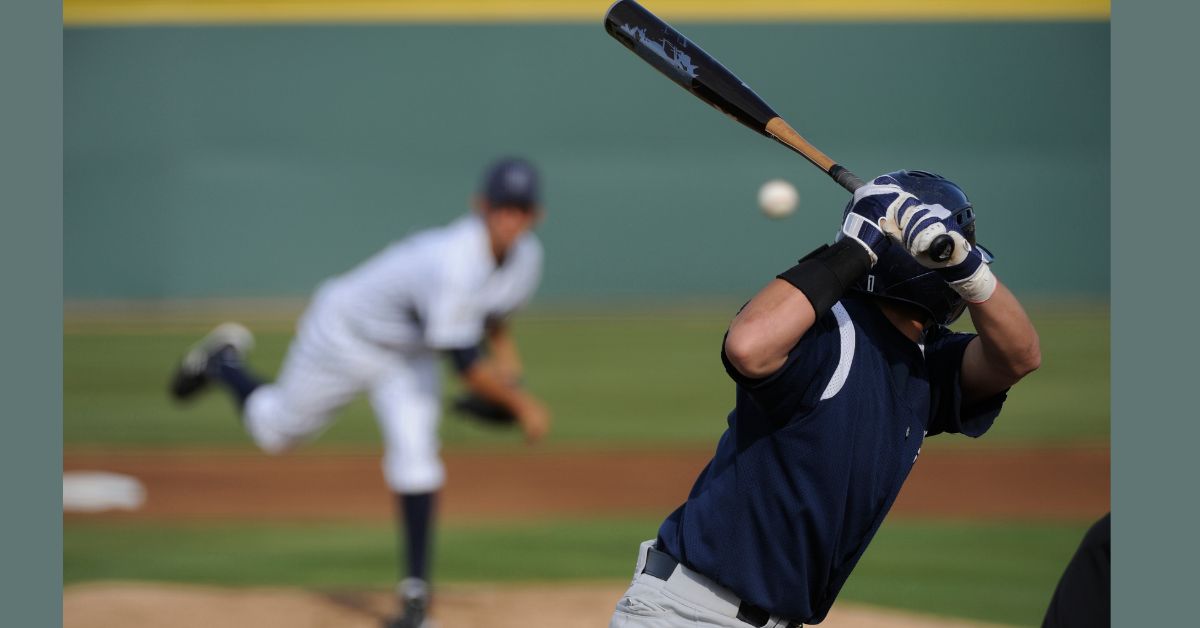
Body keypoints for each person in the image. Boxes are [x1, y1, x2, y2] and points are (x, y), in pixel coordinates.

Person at [610, 170, 1041, 627]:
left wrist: (968, 269)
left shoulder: (925, 364)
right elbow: (747, 346)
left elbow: (1020, 356)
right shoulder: (829, 328)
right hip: (690, 614)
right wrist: (857, 247)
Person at [170, 157, 552, 628]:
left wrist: (511, 377)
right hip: (345, 334)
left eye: (520, 208)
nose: (510, 217)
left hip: (408, 355)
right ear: (481, 206)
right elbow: (466, 365)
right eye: (502, 206)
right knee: (275, 432)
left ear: (536, 214)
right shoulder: (454, 259)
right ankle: (222, 364)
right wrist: (522, 405)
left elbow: (495, 318)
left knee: (417, 459)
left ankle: (415, 602)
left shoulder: (527, 258)